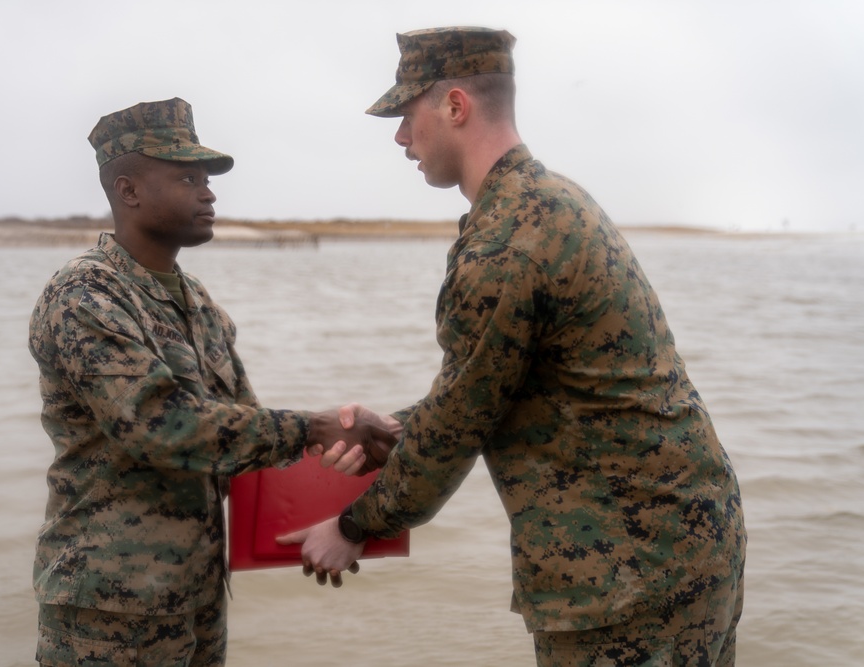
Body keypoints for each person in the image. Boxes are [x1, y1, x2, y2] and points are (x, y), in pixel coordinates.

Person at [277, 28, 747, 666]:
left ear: (455, 106)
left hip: (626, 577)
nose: (399, 138)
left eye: (406, 115)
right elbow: (493, 387)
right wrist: (394, 429)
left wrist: (353, 526)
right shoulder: (552, 202)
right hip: (683, 549)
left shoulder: (506, 244)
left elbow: (457, 429)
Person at [28, 97, 392, 666]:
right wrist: (314, 426)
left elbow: (240, 438)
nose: (209, 192)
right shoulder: (84, 296)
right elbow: (160, 426)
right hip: (107, 612)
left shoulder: (199, 304)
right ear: (129, 191)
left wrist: (345, 512)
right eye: (187, 177)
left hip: (197, 595)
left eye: (207, 178)